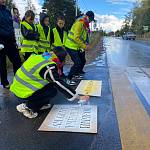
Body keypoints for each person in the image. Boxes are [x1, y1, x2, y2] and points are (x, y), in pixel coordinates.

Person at [10, 51, 89, 119]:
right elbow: (58, 83)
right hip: (23, 94)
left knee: (50, 85)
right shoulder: (48, 66)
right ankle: (27, 107)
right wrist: (78, 97)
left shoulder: (42, 57)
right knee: (52, 91)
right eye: (63, 62)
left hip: (19, 89)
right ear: (59, 61)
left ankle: (40, 104)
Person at [65, 11, 95, 85]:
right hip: (70, 46)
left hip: (77, 46)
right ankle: (68, 79)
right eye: (90, 19)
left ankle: (76, 73)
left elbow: (83, 37)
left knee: (82, 60)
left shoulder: (85, 25)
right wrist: (85, 46)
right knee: (77, 62)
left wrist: (86, 44)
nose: (91, 21)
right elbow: (76, 37)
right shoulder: (80, 22)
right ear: (87, 17)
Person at [0, 0, 22, 89]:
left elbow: (11, 26)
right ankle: (5, 82)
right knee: (2, 63)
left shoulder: (8, 12)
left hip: (10, 41)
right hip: (1, 42)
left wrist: (14, 39)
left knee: (17, 60)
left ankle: (18, 79)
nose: (3, 0)